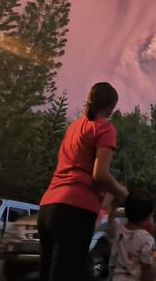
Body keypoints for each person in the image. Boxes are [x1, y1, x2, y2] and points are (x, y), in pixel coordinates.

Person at [38, 82, 128, 281]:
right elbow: (100, 174)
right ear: (112, 106)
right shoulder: (105, 128)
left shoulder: (74, 127)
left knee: (48, 273)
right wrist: (122, 193)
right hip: (75, 211)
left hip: (48, 207)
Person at [108, 188, 156, 281]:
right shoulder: (147, 240)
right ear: (149, 216)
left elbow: (110, 218)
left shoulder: (117, 228)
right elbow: (146, 269)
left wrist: (114, 204)